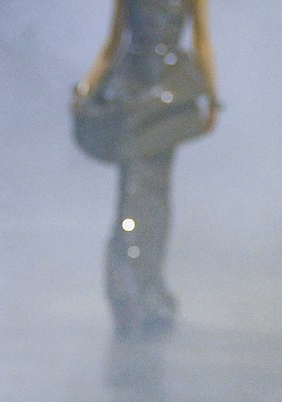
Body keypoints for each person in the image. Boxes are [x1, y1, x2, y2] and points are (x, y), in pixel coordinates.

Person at [74, 0, 219, 336]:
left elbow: (201, 40)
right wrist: (85, 89)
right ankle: (131, 294)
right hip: (136, 94)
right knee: (135, 195)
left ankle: (145, 293)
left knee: (152, 197)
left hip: (168, 97)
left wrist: (212, 97)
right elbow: (113, 45)